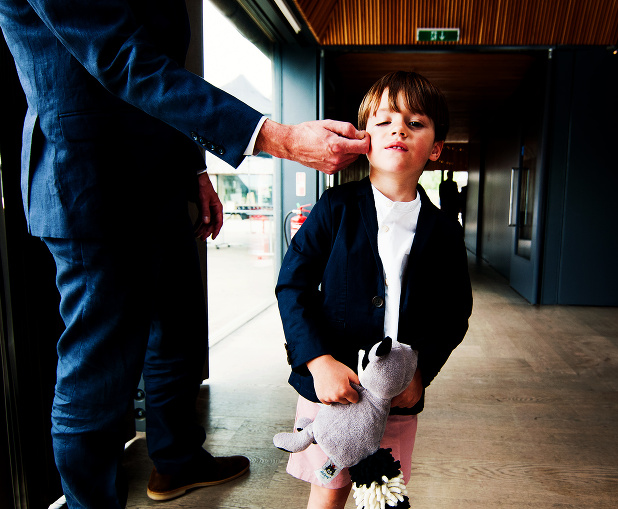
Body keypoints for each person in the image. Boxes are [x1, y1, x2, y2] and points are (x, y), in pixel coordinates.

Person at [0, 1, 369, 508]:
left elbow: (161, 68)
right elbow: (121, 59)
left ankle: (176, 463)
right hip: (92, 185)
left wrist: (194, 171)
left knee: (177, 337)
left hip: (160, 184)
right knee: (98, 374)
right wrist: (276, 138)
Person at [275, 71, 473, 509]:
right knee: (327, 495)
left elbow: (455, 311)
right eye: (384, 122)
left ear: (436, 148)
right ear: (365, 139)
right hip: (331, 389)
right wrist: (318, 361)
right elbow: (293, 285)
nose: (398, 129)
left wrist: (423, 372)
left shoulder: (443, 231)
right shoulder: (335, 209)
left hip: (395, 397)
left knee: (382, 497)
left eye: (415, 123)